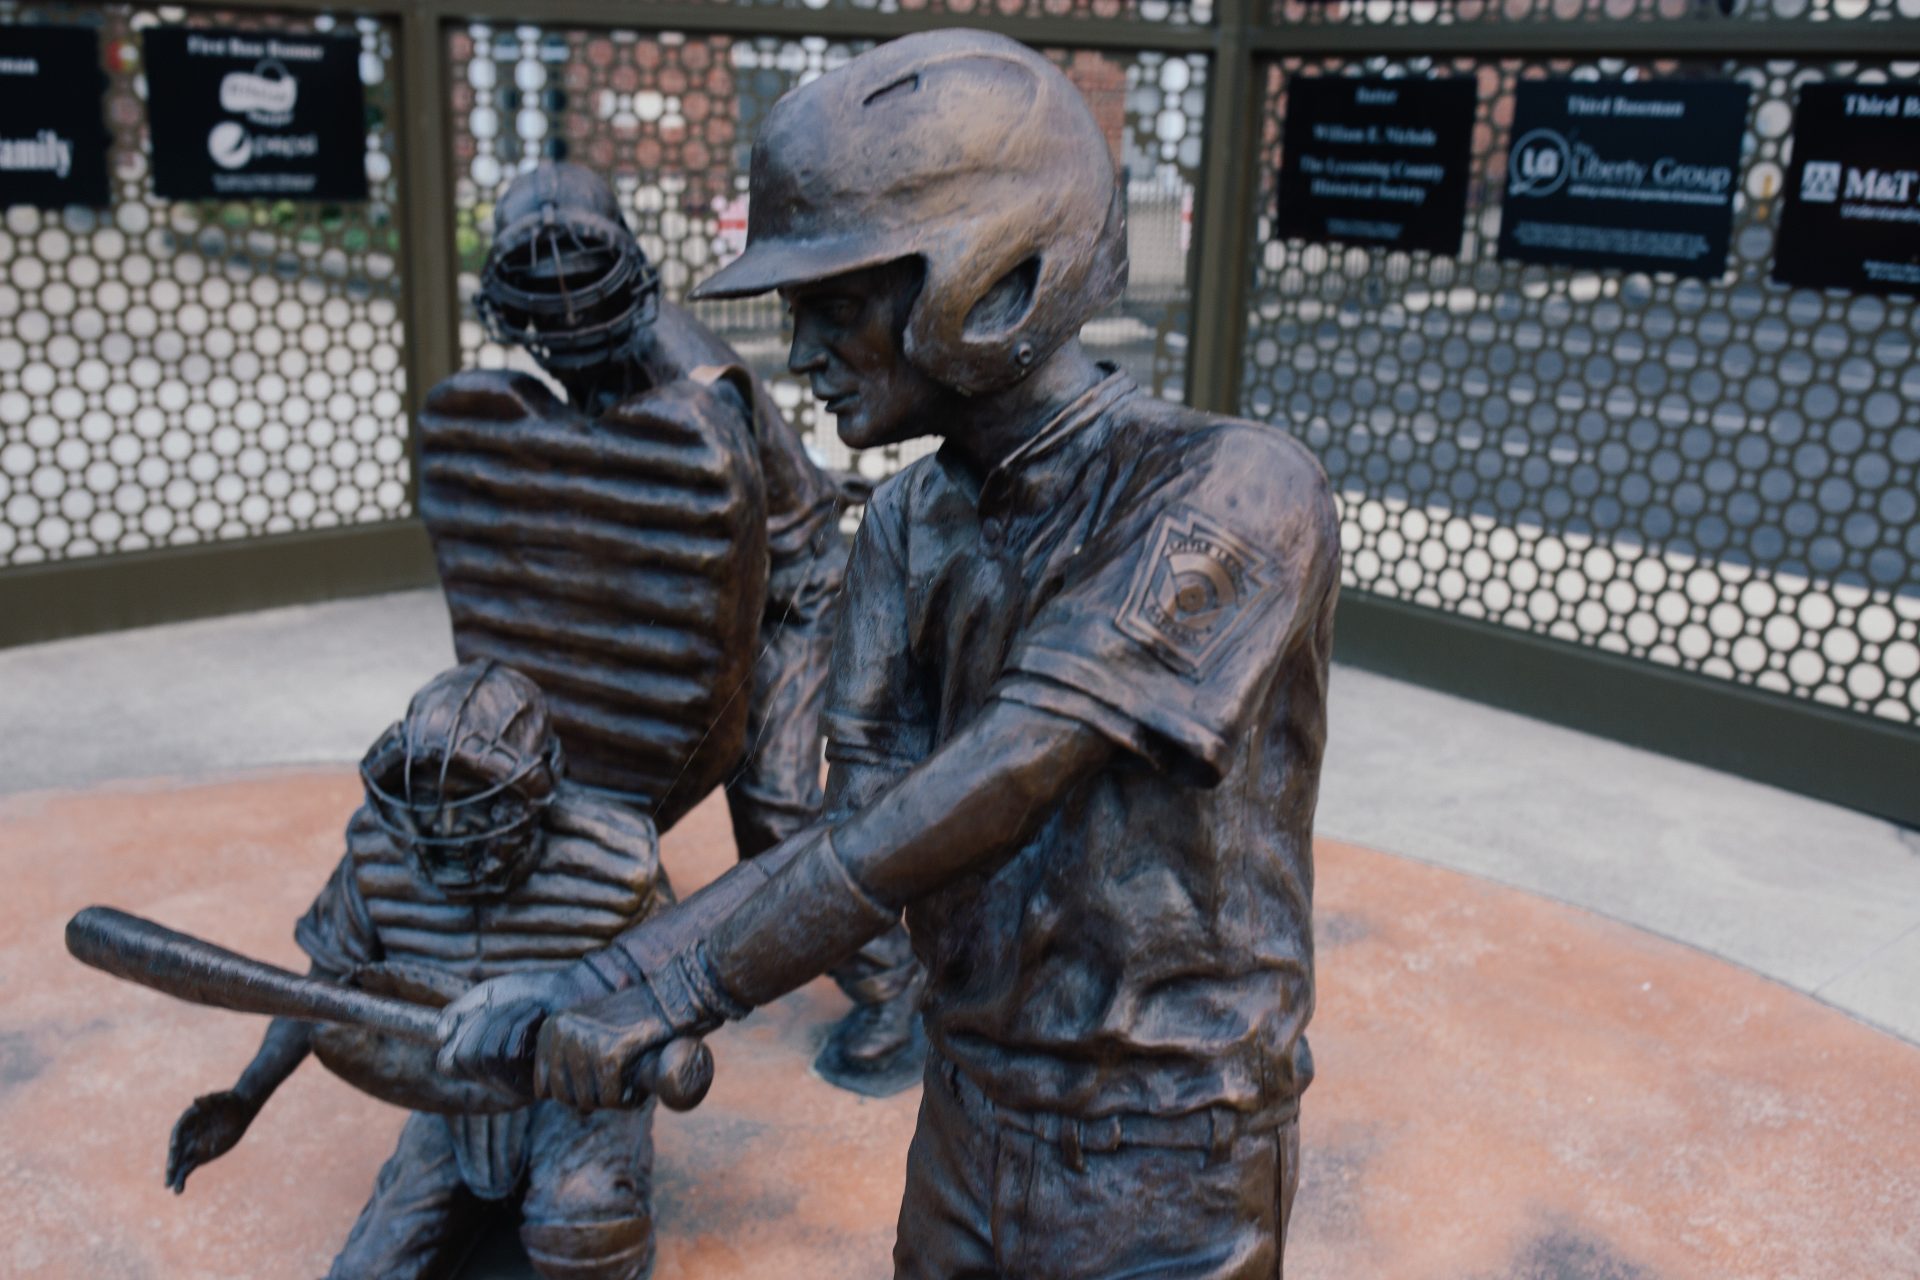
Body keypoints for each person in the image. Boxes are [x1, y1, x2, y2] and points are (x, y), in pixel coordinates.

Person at [437, 30, 1340, 1278]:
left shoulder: (1238, 488)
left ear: (992, 279)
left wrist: (676, 982)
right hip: (970, 1123)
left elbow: (1007, 772)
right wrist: (604, 975)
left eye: (835, 306)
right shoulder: (912, 520)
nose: (800, 357)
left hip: (1168, 1154)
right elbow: (842, 830)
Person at [425, 161, 923, 1087]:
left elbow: (719, 532)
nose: (562, 299)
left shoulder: (682, 368)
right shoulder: (570, 349)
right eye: (538, 279)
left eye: (577, 268)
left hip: (790, 590)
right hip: (706, 592)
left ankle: (895, 991)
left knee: (777, 810)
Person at [165, 661, 669, 1280]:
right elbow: (321, 989)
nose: (446, 828)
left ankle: (591, 1203)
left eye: (471, 802)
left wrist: (632, 1044)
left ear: (534, 791)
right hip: (449, 1090)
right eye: (429, 799)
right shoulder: (382, 855)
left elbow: (674, 994)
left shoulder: (616, 864)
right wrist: (246, 1096)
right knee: (371, 1271)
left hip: (575, 1096)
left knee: (581, 1228)